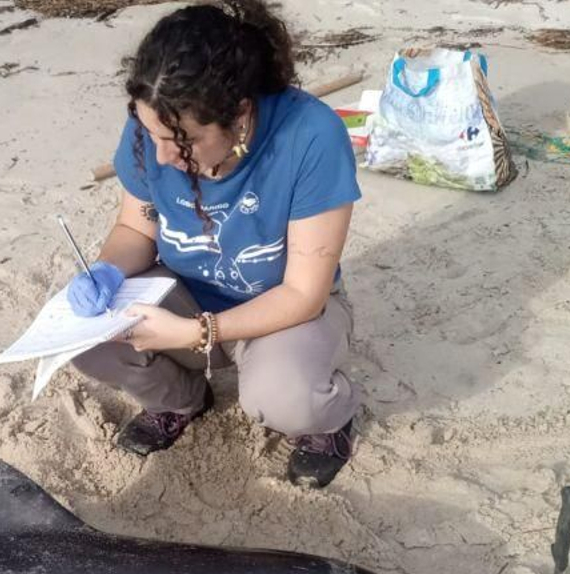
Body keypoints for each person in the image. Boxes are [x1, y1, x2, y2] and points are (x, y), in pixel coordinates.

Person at [67, 0, 362, 488]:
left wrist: (194, 333)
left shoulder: (311, 135)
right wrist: (108, 271)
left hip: (282, 310)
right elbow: (137, 230)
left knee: (283, 398)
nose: (163, 155)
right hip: (183, 293)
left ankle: (333, 418)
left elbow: (303, 294)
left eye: (184, 140)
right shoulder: (155, 128)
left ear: (240, 114)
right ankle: (181, 399)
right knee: (87, 335)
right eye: (151, 133)